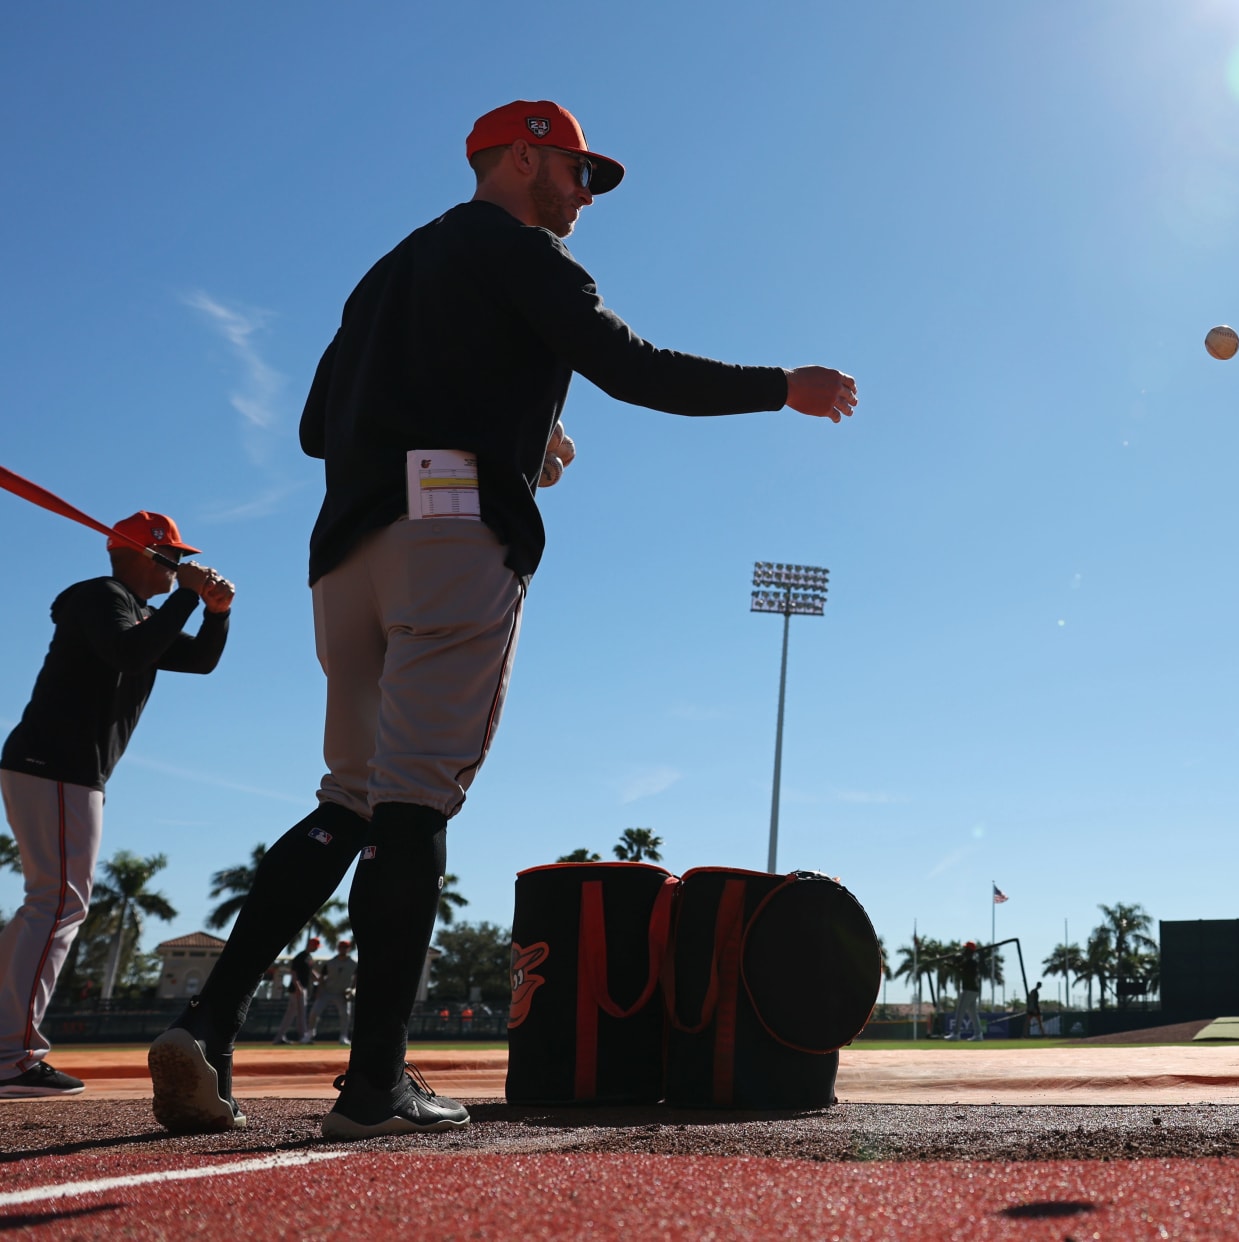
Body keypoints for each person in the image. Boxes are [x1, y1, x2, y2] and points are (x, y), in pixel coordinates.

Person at [148, 98, 859, 1139]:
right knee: (412, 805)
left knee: (346, 798)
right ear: (520, 157)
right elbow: (630, 364)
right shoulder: (521, 248)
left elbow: (313, 428)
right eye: (575, 171)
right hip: (450, 532)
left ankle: (206, 1023)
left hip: (345, 549)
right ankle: (376, 1083)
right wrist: (779, 388)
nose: (583, 195)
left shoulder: (388, 270)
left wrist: (517, 425)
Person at [0, 513, 232, 1099]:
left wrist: (215, 613)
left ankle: (5, 1044)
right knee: (57, 903)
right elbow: (127, 653)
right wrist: (185, 596)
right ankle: (10, 1054)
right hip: (57, 766)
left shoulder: (140, 613)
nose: (177, 564)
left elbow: (200, 661)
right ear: (140, 554)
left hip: (61, 770)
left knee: (48, 903)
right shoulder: (101, 596)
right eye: (170, 556)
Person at [305, 938, 355, 1045]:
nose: (343, 949)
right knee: (314, 1012)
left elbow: (356, 978)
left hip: (343, 993)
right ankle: (310, 1034)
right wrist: (319, 991)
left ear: (349, 949)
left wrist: (352, 990)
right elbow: (322, 978)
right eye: (341, 947)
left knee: (345, 1014)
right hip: (327, 991)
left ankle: (343, 1037)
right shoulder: (330, 962)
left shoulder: (353, 963)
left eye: (345, 947)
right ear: (338, 948)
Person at [276, 937, 320, 1044]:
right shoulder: (300, 956)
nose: (317, 949)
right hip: (298, 989)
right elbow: (293, 972)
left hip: (302, 988)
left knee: (290, 1015)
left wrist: (319, 977)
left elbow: (310, 971)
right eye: (316, 946)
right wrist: (298, 986)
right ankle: (303, 1037)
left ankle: (279, 1038)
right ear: (311, 945)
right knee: (301, 1013)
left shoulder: (309, 957)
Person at [952, 942, 983, 1040]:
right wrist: (954, 963)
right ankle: (978, 1035)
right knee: (972, 1013)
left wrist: (953, 966)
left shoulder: (971, 962)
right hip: (972, 990)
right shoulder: (968, 961)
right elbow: (960, 968)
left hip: (969, 990)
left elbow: (963, 973)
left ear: (969, 951)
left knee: (960, 1010)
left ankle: (956, 1034)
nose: (964, 950)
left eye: (966, 949)